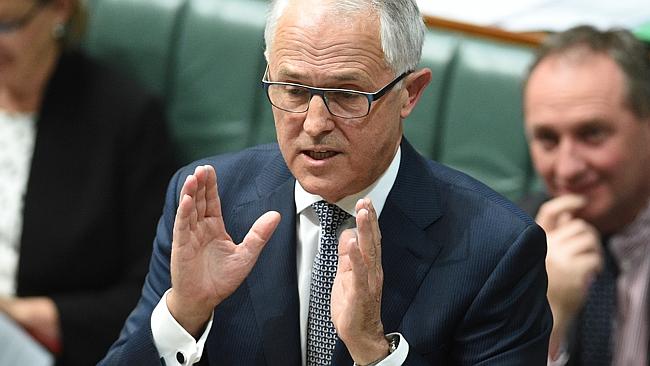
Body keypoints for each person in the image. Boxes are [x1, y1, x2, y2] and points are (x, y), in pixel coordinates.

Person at [102, 0, 552, 364]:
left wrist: (374, 353)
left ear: (409, 94)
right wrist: (185, 313)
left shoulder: (497, 249)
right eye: (294, 91)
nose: (314, 124)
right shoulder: (210, 200)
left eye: (346, 95)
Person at [0, 0, 176, 365]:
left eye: (5, 26)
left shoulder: (123, 117)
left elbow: (154, 291)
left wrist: (18, 316)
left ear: (60, 10)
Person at [521, 25, 650, 365]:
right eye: (548, 139)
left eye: (592, 134)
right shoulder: (501, 247)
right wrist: (544, 318)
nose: (567, 169)